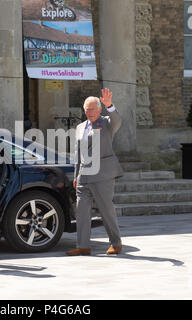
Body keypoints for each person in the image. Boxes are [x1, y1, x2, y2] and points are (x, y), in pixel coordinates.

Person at [66, 88, 124, 256]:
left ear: (99, 109)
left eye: (93, 109)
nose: (90, 112)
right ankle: (83, 246)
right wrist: (77, 174)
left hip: (103, 175)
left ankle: (116, 243)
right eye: (87, 109)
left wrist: (110, 106)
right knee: (82, 211)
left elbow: (117, 121)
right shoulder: (80, 127)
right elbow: (78, 153)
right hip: (84, 175)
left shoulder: (105, 123)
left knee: (106, 210)